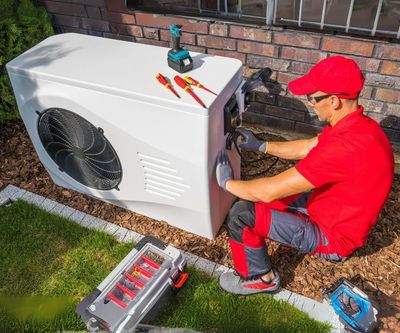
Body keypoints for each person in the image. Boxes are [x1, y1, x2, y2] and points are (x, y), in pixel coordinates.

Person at [215, 55, 394, 295]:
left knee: (240, 214)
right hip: (327, 209)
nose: (310, 103)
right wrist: (261, 146)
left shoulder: (345, 148)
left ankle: (260, 279)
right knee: (251, 198)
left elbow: (268, 191)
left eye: (312, 98)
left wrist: (226, 182)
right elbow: (308, 146)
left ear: (334, 101)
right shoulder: (360, 127)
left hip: (332, 237)